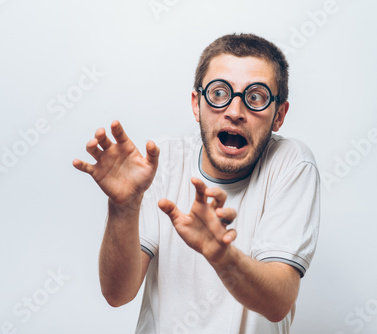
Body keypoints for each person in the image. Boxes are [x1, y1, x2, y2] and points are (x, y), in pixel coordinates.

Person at [73, 33, 320, 334]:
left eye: (255, 97)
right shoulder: (161, 162)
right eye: (219, 93)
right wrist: (123, 208)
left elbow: (277, 303)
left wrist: (223, 257)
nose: (234, 112)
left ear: (279, 115)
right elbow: (117, 294)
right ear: (196, 104)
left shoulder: (290, 163)